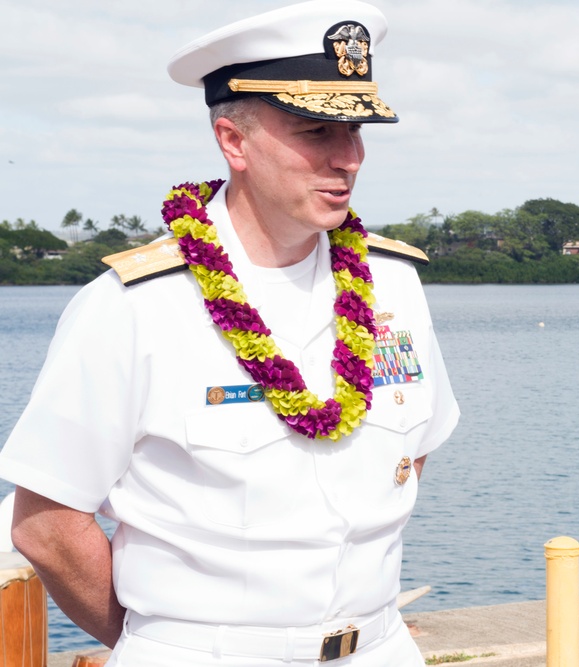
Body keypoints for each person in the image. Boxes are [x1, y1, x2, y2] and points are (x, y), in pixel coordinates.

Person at [0, 2, 459, 665]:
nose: (349, 158)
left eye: (356, 130)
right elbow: (46, 524)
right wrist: (161, 641)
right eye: (317, 131)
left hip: (379, 649)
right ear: (233, 141)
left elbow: (411, 455)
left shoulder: (395, 285)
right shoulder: (134, 306)